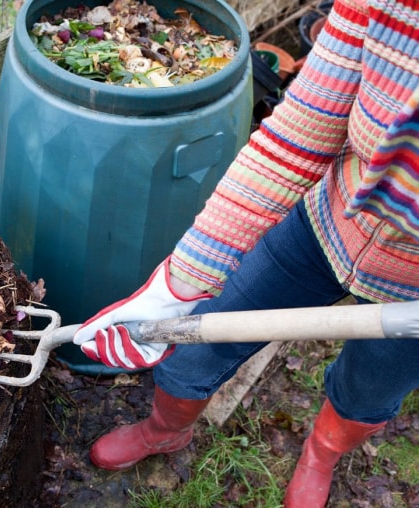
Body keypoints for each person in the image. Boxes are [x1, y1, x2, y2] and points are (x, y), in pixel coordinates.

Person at [72, 0, 419, 505]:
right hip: (324, 225)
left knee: (368, 392)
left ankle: (321, 454)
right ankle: (165, 429)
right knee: (196, 343)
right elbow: (296, 136)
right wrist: (178, 283)